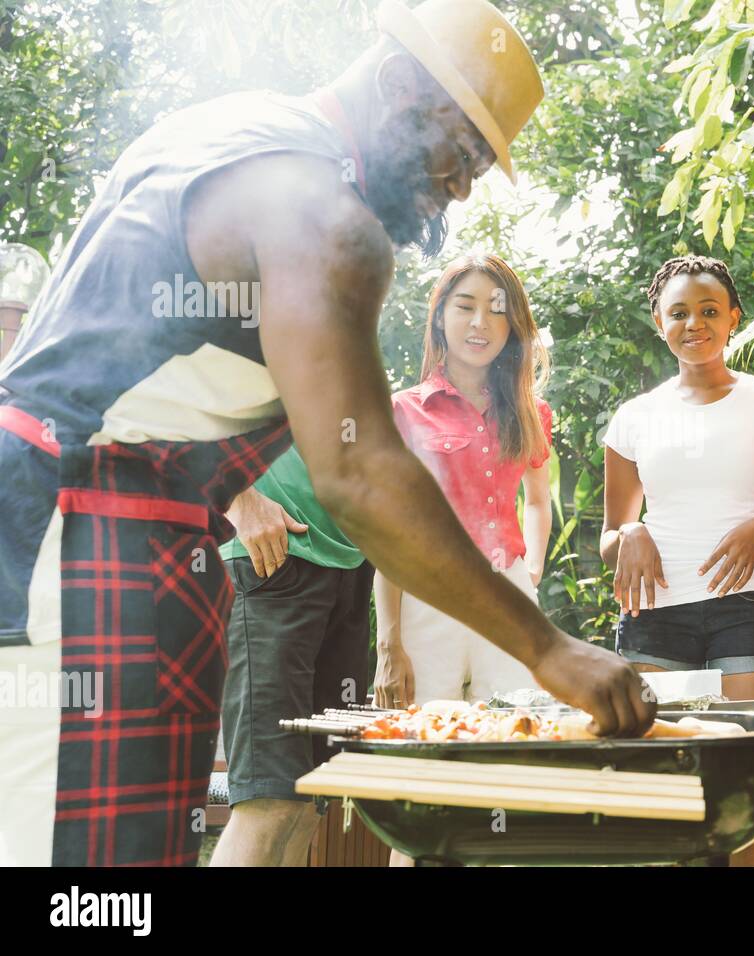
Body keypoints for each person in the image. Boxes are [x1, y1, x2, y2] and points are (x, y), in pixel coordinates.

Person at [0, 0, 653, 868]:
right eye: (459, 152)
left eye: (478, 168)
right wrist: (549, 649)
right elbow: (360, 470)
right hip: (72, 547)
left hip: (122, 542)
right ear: (395, 86)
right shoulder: (324, 213)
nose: (459, 189)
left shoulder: (227, 127)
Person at [601, 254, 754, 866]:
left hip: (750, 610)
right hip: (654, 617)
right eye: (678, 313)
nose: (693, 323)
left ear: (733, 319)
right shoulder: (634, 418)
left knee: (746, 795)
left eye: (708, 311)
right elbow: (608, 537)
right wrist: (629, 532)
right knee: (667, 798)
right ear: (657, 321)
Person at [375, 253, 552, 709]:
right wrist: (388, 643)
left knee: (515, 732)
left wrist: (529, 569)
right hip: (430, 596)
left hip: (509, 596)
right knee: (422, 737)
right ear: (439, 317)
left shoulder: (532, 412)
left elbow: (536, 499)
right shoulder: (402, 412)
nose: (481, 322)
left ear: (514, 324)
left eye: (497, 309)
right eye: (465, 306)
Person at [208, 449, 374, 867]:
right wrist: (237, 496)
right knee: (268, 799)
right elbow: (172, 393)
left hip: (351, 563)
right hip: (269, 556)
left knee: (308, 800)